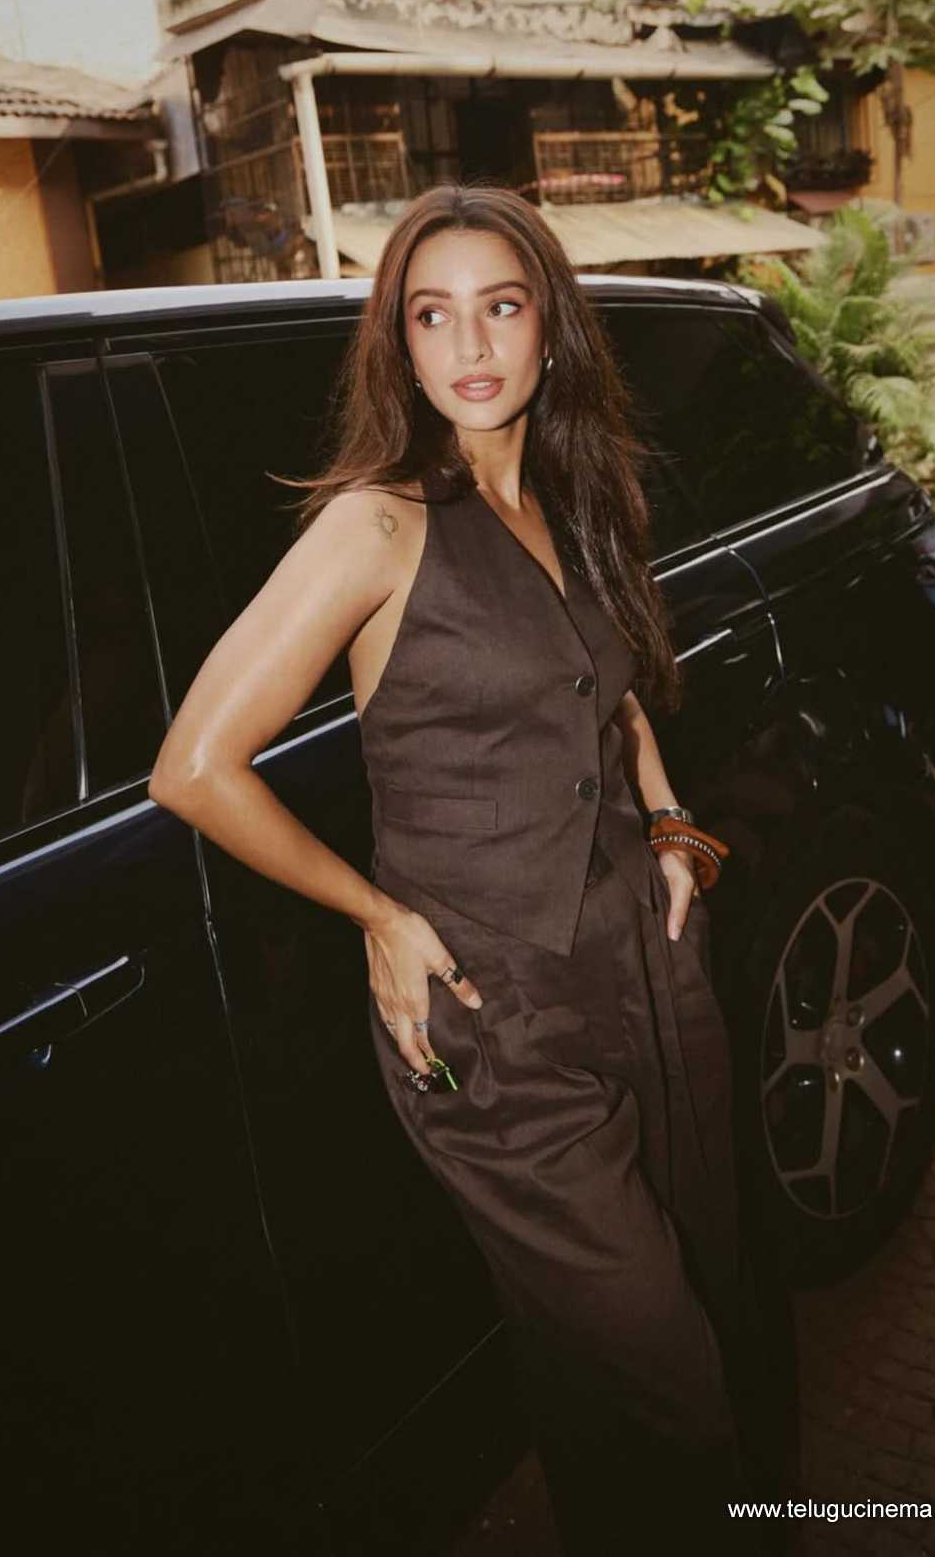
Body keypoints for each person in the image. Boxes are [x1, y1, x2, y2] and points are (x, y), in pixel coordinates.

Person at [148, 182, 799, 1554]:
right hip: (492, 1023)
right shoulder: (376, 527)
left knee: (681, 1308)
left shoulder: (578, 491)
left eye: (500, 305)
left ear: (550, 326)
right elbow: (193, 767)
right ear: (399, 343)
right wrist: (377, 915)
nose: (472, 344)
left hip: (649, 965)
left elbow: (614, 693)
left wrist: (672, 825)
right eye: (431, 315)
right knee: (673, 1372)